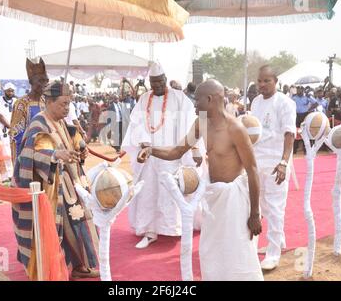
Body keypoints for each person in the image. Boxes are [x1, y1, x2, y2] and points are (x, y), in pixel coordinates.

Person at [137, 79, 263, 281]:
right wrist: (150, 150)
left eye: (197, 99)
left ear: (211, 99)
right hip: (213, 199)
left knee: (238, 253)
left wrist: (255, 213)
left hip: (234, 201)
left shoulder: (235, 129)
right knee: (210, 251)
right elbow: (178, 151)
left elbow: (253, 170)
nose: (194, 104)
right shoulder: (201, 122)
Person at [12, 81, 99, 280]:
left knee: (79, 224)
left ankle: (79, 265)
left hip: (70, 183)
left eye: (69, 104)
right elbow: (33, 153)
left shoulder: (61, 121)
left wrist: (81, 147)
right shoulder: (39, 123)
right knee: (64, 228)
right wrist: (56, 155)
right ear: (48, 102)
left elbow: (72, 137)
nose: (67, 108)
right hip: (50, 188)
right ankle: (52, 267)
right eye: (63, 104)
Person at [121, 61, 200, 249]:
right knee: (148, 192)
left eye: (159, 81)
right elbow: (136, 123)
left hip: (173, 155)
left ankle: (173, 227)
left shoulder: (179, 98)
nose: (156, 86)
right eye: (153, 82)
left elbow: (192, 122)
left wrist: (194, 148)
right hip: (149, 154)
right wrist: (144, 142)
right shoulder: (143, 99)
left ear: (165, 79)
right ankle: (150, 232)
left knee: (171, 191)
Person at [251, 65, 296, 271]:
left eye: (266, 81)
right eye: (260, 81)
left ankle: (273, 253)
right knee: (263, 205)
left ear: (276, 81)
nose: (262, 84)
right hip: (257, 161)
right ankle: (279, 240)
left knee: (276, 206)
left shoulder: (285, 103)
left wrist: (284, 162)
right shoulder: (255, 102)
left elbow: (289, 134)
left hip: (277, 163)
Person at [10, 58, 48, 164]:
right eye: (41, 81)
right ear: (31, 82)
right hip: (27, 151)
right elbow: (15, 131)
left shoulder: (45, 101)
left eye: (46, 81)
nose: (45, 84)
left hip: (46, 150)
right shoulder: (22, 103)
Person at [0, 82, 17, 181]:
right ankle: (5, 176)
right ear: (4, 91)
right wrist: (10, 127)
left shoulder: (16, 101)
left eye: (12, 91)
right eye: (8, 91)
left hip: (14, 131)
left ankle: (12, 175)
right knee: (4, 153)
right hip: (3, 131)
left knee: (13, 152)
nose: (10, 92)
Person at [292, 86, 317, 154]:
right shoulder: (294, 97)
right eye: (298, 90)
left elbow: (316, 103)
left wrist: (309, 109)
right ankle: (294, 149)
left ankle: (306, 149)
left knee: (305, 132)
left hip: (305, 115)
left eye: (300, 90)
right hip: (296, 115)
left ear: (303, 90)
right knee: (296, 131)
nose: (299, 91)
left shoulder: (307, 96)